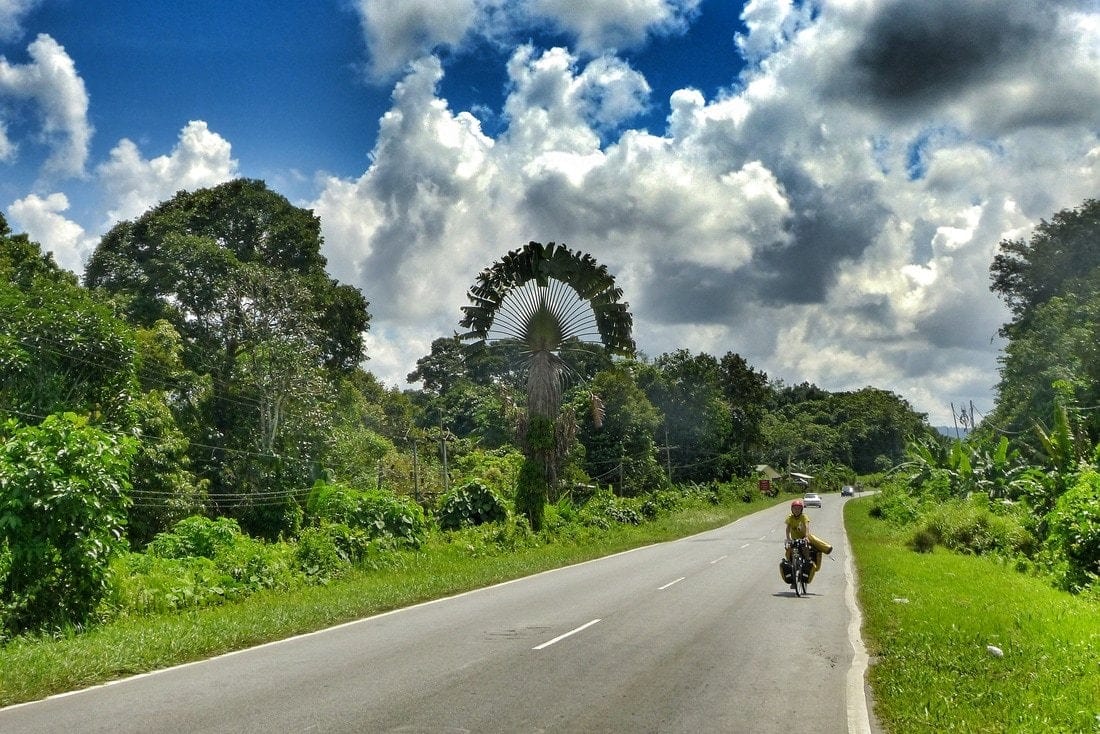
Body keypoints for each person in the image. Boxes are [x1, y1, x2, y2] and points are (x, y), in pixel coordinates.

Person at [784, 499, 813, 583]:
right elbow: (787, 529)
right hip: (794, 539)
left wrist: (806, 537)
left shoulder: (804, 517)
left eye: (798, 508)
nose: (796, 510)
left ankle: (807, 562)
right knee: (791, 553)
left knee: (805, 547)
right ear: (792, 509)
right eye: (794, 508)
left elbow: (807, 526)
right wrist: (788, 539)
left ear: (801, 509)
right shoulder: (790, 517)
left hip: (803, 538)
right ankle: (793, 571)